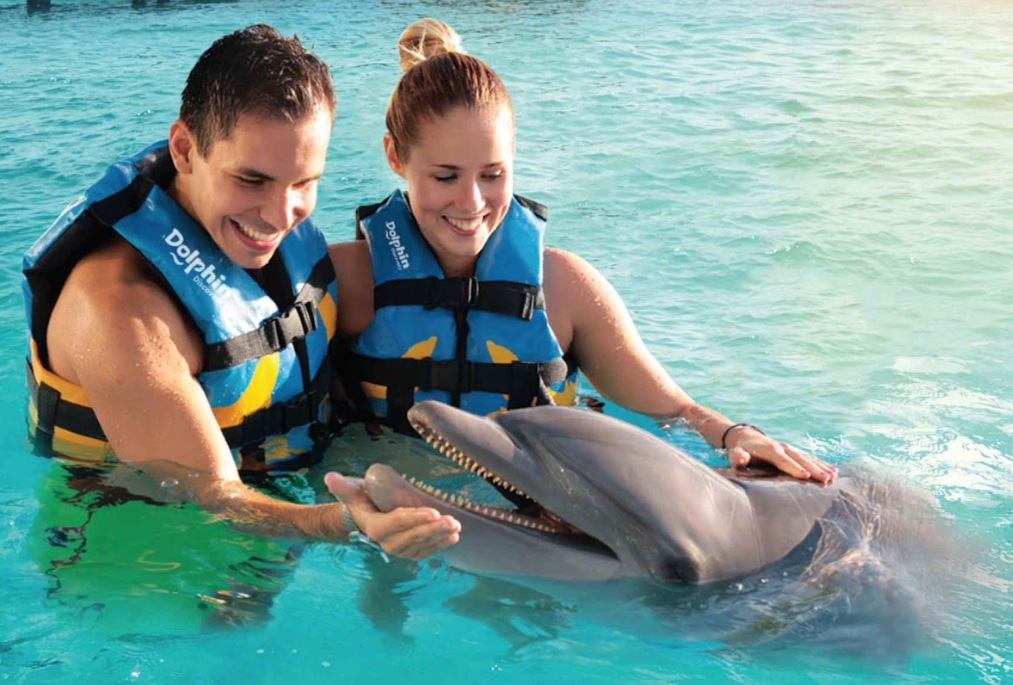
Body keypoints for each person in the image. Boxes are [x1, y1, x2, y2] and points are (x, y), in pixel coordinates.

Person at [330, 19, 838, 488]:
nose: (472, 202)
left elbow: (675, 409)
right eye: (445, 177)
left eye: (493, 174)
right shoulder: (349, 281)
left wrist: (735, 435)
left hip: (533, 508)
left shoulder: (565, 287)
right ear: (395, 157)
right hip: (390, 518)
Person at [22, 24, 460, 561]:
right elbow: (212, 498)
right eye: (251, 180)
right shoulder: (119, 313)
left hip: (283, 490)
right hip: (136, 552)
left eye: (304, 183)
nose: (280, 217)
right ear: (184, 149)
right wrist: (350, 522)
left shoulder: (262, 230)